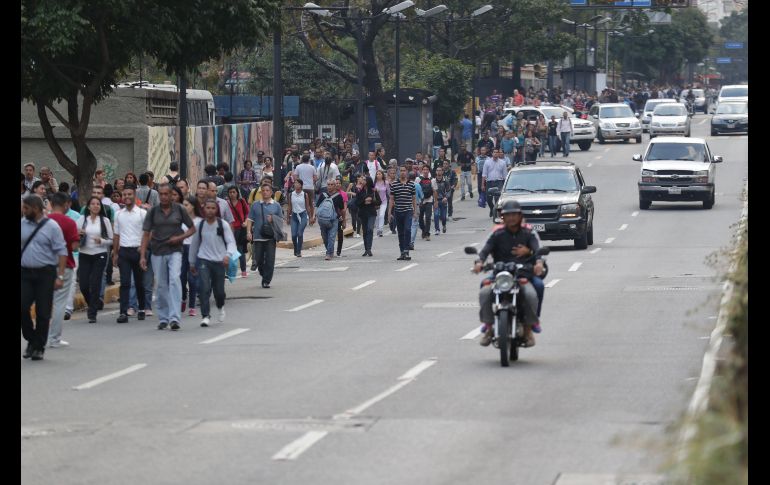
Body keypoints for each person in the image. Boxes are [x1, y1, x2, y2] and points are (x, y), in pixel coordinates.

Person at [473, 200, 544, 347]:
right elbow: (485, 250)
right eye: (507, 215)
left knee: (536, 288)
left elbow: (538, 251)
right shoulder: (497, 233)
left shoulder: (529, 233)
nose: (511, 218)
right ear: (502, 217)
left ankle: (529, 328)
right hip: (501, 275)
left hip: (523, 274)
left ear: (520, 216)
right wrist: (479, 262)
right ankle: (489, 327)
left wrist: (537, 262)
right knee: (484, 290)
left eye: (514, 215)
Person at [140, 184, 195, 331]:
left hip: (175, 250)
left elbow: (192, 229)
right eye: (161, 194)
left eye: (166, 194)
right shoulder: (153, 212)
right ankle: (163, 318)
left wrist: (180, 238)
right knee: (162, 285)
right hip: (158, 251)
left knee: (175, 280)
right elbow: (146, 234)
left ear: (171, 195)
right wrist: (143, 255)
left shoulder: (179, 210)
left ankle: (175, 318)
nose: (163, 197)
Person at [21, 194, 68, 361]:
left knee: (43, 312)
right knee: (22, 306)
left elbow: (62, 252)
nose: (23, 210)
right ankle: (31, 338)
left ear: (35, 208)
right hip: (25, 273)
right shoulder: (22, 224)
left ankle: (38, 347)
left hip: (45, 274)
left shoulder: (52, 227)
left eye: (26, 208)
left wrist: (60, 276)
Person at [189, 198, 237, 327]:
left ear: (216, 210)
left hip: (220, 261)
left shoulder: (223, 225)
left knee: (219, 291)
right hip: (204, 260)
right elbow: (194, 244)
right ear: (204, 209)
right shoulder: (200, 225)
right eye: (207, 208)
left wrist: (228, 255)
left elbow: (231, 242)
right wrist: (192, 262)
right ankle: (205, 315)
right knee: (204, 287)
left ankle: (220, 307)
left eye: (213, 208)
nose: (210, 211)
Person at [47, 192, 80, 347]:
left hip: (45, 266)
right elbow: (74, 246)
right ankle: (54, 338)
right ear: (66, 204)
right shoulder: (69, 222)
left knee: (45, 302)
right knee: (60, 303)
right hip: (65, 265)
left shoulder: (44, 221)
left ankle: (41, 336)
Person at [113, 185, 148, 323]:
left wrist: (143, 251)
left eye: (129, 194)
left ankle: (141, 308)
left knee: (139, 283)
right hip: (124, 251)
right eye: (125, 194)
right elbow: (116, 235)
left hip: (138, 251)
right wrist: (115, 253)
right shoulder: (118, 214)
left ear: (134, 196)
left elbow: (147, 234)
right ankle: (123, 312)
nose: (127, 197)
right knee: (125, 282)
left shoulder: (142, 213)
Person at [77, 196, 113, 324]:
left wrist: (101, 240)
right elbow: (75, 236)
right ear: (88, 206)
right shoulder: (82, 220)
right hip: (84, 254)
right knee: (84, 285)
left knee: (95, 282)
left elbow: (111, 240)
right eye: (93, 203)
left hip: (100, 254)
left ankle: (92, 313)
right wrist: (79, 234)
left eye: (98, 204)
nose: (96, 206)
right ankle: (93, 302)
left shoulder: (105, 221)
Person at [246, 183, 284, 286]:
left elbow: (281, 220)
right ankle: (263, 274)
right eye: (263, 190)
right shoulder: (255, 205)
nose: (265, 192)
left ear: (271, 192)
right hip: (258, 236)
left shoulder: (276, 205)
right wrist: (249, 232)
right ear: (261, 192)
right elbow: (250, 219)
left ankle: (266, 280)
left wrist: (273, 219)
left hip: (271, 237)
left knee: (270, 260)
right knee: (258, 260)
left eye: (267, 190)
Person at [388, 166, 416, 261]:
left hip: (408, 210)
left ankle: (406, 250)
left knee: (407, 229)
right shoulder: (394, 184)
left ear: (407, 172)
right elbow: (391, 199)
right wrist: (389, 213)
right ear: (399, 172)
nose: (403, 172)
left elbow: (414, 198)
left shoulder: (411, 184)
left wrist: (415, 211)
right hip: (398, 211)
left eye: (404, 171)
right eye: (401, 171)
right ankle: (402, 252)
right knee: (400, 233)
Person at [313, 178, 345, 261]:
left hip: (334, 219)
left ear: (335, 186)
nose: (330, 186)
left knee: (332, 237)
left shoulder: (338, 196)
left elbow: (342, 210)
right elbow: (317, 206)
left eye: (332, 184)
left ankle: (328, 253)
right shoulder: (323, 195)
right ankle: (330, 250)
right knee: (324, 237)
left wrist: (343, 220)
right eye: (328, 184)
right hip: (322, 220)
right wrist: (314, 216)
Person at [181, 195, 201, 317]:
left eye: (186, 205)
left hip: (195, 251)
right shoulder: (180, 220)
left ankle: (192, 306)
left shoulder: (199, 221)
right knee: (181, 278)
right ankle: (183, 297)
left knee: (192, 280)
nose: (184, 207)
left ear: (193, 206)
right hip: (182, 250)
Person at [226, 185, 250, 277]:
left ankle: (243, 270)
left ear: (237, 193)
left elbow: (248, 213)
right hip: (229, 230)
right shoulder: (226, 203)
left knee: (240, 250)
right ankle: (231, 270)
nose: (232, 194)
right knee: (230, 251)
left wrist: (245, 221)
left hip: (240, 229)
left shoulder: (242, 201)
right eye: (230, 192)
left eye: (234, 192)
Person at [287, 178, 313, 257]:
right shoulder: (291, 194)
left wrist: (311, 217)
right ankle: (295, 248)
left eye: (298, 183)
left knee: (299, 233)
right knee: (294, 235)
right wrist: (288, 217)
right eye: (295, 183)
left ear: (301, 185)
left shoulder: (305, 195)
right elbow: (289, 206)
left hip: (303, 215)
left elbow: (307, 206)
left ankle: (299, 251)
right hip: (294, 215)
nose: (296, 184)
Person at [355, 176, 381, 257]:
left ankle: (369, 249)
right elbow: (357, 202)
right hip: (363, 213)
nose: (363, 181)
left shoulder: (373, 191)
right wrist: (364, 201)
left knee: (370, 229)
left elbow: (379, 202)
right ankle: (366, 249)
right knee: (365, 231)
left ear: (368, 181)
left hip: (371, 213)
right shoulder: (359, 190)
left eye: (365, 180)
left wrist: (371, 201)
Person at [482, 148, 507, 218]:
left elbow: (505, 175)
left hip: (499, 182)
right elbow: (484, 174)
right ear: (492, 153)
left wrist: (505, 186)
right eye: (494, 152)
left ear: (499, 154)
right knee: (488, 199)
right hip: (489, 182)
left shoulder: (503, 163)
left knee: (497, 199)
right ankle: (492, 208)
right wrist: (482, 185)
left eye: (497, 152)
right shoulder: (487, 162)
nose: (495, 153)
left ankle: (495, 212)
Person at [415, 166, 436, 241]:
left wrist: (435, 202)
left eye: (427, 169)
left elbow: (434, 191)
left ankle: (427, 234)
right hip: (420, 201)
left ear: (429, 171)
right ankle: (423, 230)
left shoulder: (432, 180)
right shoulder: (418, 179)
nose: (425, 171)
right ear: (422, 170)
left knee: (428, 217)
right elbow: (415, 190)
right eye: (424, 169)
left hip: (429, 200)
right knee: (420, 218)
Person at [433, 167, 451, 235]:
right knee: (436, 215)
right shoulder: (433, 181)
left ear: (442, 172)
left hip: (443, 201)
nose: (438, 172)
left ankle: (444, 225)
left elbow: (449, 191)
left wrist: (446, 197)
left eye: (440, 170)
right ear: (436, 172)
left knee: (443, 217)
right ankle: (437, 229)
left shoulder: (445, 181)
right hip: (436, 200)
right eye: (437, 170)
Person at [373, 170, 388, 237]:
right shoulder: (374, 183)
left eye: (379, 174)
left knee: (382, 215)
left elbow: (389, 192)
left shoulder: (386, 183)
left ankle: (380, 230)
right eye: (377, 174)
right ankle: (377, 229)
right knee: (376, 216)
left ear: (382, 175)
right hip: (376, 202)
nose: (378, 175)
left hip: (384, 201)